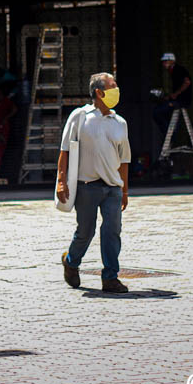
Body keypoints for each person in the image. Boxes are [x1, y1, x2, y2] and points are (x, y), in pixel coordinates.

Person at [57, 73, 131, 294]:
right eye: (112, 86)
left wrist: (124, 190)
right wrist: (61, 181)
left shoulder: (120, 122)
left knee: (112, 231)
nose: (116, 90)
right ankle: (71, 261)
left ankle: (110, 278)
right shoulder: (80, 117)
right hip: (86, 186)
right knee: (85, 231)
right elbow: (65, 151)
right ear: (99, 92)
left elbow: (124, 159)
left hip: (112, 188)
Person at [151, 52, 193, 170]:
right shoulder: (172, 72)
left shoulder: (178, 70)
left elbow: (187, 82)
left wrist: (176, 95)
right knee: (166, 112)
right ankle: (170, 133)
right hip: (178, 100)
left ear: (171, 61)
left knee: (158, 112)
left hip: (181, 101)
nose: (164, 64)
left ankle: (169, 134)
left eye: (166, 61)